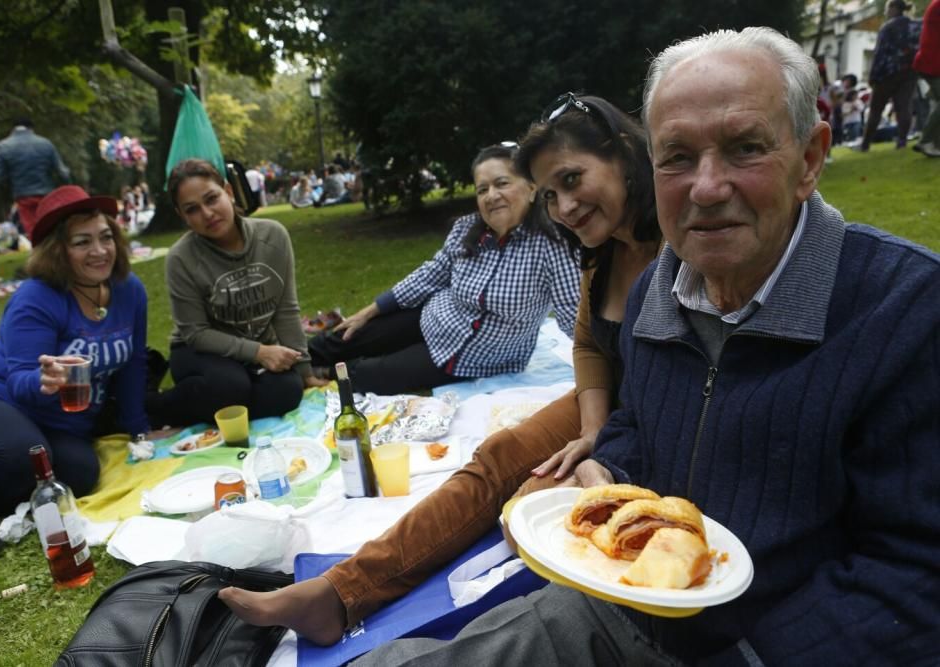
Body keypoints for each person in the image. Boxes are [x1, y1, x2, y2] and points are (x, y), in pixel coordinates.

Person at [331, 26, 940, 666]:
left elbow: (916, 570)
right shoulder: (658, 284)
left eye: (744, 148)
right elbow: (638, 421)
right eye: (677, 156)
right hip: (619, 602)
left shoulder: (905, 311)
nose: (706, 186)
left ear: (810, 159)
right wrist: (609, 476)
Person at [220, 101, 663, 642]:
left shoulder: (679, 241)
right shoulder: (597, 248)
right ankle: (339, 592)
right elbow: (591, 341)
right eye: (551, 193)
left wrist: (606, 452)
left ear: (622, 155)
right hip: (597, 398)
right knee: (497, 454)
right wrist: (592, 428)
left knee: (528, 502)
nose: (565, 206)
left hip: (656, 417)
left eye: (571, 180)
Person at [0, 186, 160, 521]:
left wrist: (138, 429)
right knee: (27, 454)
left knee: (80, 476)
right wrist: (45, 380)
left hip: (54, 424)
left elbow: (133, 363)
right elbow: (19, 380)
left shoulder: (129, 290)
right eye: (82, 242)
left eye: (105, 237)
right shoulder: (36, 298)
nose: (100, 251)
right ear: (58, 251)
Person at [306, 143, 582, 395]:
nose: (491, 196)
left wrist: (601, 375)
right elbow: (431, 274)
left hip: (476, 357)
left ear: (531, 188)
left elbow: (576, 317)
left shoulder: (554, 246)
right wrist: (369, 311)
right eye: (482, 189)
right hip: (434, 317)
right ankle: (293, 360)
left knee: (364, 374)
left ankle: (312, 377)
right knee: (348, 336)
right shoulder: (466, 229)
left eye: (502, 183)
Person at [144, 159, 326, 429]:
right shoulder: (180, 258)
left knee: (288, 390)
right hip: (199, 351)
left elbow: (285, 310)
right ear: (182, 216)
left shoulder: (273, 236)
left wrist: (305, 372)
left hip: (254, 348)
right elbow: (196, 333)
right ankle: (154, 406)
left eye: (212, 198)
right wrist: (260, 352)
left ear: (228, 192)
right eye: (192, 209)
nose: (207, 213)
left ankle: (209, 406)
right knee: (231, 385)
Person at [0, 118, 71, 237]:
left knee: (32, 230)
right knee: (51, 226)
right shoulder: (45, 143)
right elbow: (63, 172)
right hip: (46, 193)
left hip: (22, 195)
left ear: (13, 128)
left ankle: (39, 252)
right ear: (31, 128)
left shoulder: (3, 146)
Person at [860, 0, 921, 150]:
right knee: (904, 107)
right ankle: (902, 142)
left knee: (876, 109)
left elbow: (879, 53)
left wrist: (873, 76)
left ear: (894, 8)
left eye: (887, 9)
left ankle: (865, 144)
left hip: (887, 72)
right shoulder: (915, 25)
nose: (886, 12)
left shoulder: (887, 27)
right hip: (909, 71)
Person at [913, 0, 940, 156]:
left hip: (929, 61)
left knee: (938, 104)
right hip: (932, 63)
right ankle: (926, 141)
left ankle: (935, 145)